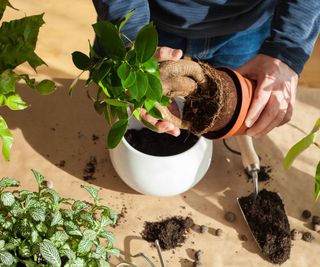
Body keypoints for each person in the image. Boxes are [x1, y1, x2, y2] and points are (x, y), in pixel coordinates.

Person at [92, 0, 320, 137]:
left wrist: (287, 49)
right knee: (124, 103)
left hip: (246, 28)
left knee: (234, 112)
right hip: (147, 20)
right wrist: (131, 41)